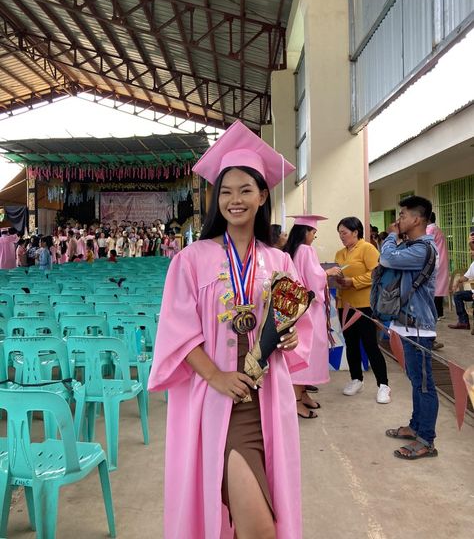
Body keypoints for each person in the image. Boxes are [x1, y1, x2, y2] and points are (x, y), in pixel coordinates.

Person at [148, 121, 313, 539]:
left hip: (267, 400)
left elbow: (294, 331)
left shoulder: (280, 262)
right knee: (258, 526)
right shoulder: (191, 260)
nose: (234, 200)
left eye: (244, 190)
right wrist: (216, 376)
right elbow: (178, 334)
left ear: (262, 196)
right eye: (225, 191)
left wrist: (289, 337)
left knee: (256, 518)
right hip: (217, 399)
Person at [382, 196, 439, 459]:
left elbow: (388, 259)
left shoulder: (421, 249)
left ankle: (426, 440)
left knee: (425, 385)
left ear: (417, 219)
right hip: (408, 325)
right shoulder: (413, 246)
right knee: (417, 382)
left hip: (419, 327)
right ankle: (416, 427)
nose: (398, 220)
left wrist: (391, 237)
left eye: (403, 215)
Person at [284, 215, 338, 419]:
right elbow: (314, 279)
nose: (315, 237)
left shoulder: (291, 250)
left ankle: (303, 394)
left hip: (298, 308)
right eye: (314, 232)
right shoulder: (306, 250)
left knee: (303, 352)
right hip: (309, 308)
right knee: (306, 353)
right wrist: (329, 272)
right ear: (306, 232)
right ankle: (297, 401)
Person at [335, 217, 391, 403]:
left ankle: (383, 385)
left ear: (355, 232)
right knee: (351, 344)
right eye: (340, 233)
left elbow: (378, 273)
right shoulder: (340, 253)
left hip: (365, 305)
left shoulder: (367, 248)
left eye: (344, 232)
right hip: (346, 305)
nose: (341, 236)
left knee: (370, 344)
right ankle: (356, 379)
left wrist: (354, 282)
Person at [426, 212, 449, 320]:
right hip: (442, 260)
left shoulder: (430, 229)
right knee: (439, 286)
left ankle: (435, 313)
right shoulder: (438, 229)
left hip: (435, 260)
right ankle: (440, 312)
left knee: (433, 287)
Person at [448, 259, 474, 332]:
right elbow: (466, 277)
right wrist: (457, 281)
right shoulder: (473, 264)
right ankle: (463, 322)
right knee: (457, 295)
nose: (470, 252)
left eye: (472, 250)